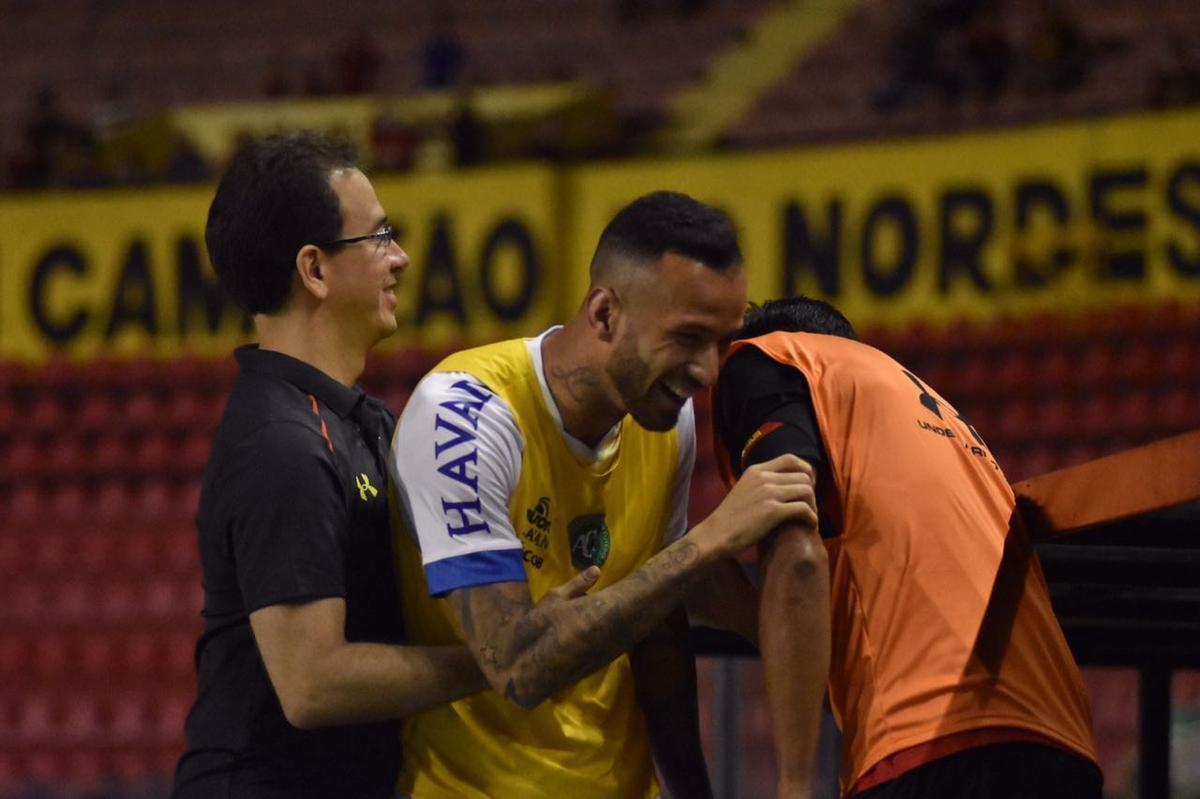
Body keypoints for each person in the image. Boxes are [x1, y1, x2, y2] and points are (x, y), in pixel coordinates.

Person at [389, 191, 816, 798]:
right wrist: (712, 540)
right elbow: (516, 666)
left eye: (722, 343)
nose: (708, 373)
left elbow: (659, 630)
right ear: (605, 313)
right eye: (689, 338)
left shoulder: (665, 420)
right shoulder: (462, 419)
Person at [172, 131, 491, 799]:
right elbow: (312, 683)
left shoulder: (351, 419)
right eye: (380, 237)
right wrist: (501, 659)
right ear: (314, 269)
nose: (401, 257)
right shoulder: (283, 445)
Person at [711, 297, 1102, 798]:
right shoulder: (946, 421)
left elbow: (798, 556)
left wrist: (793, 786)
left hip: (929, 746)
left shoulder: (770, 357)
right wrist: (740, 612)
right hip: (1063, 746)